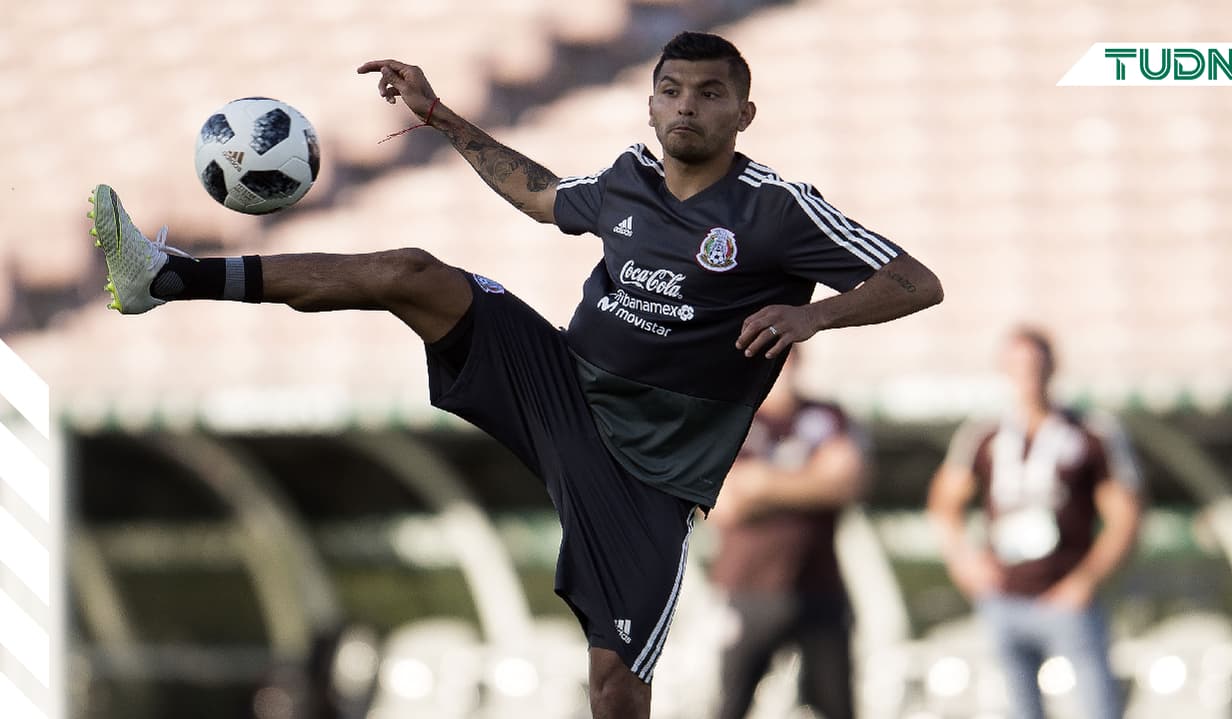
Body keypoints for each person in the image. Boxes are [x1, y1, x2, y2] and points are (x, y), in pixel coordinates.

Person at [88, 32, 942, 718]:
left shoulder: (777, 207)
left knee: (615, 687)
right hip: (562, 384)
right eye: (673, 89)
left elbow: (916, 279)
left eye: (710, 92)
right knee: (412, 271)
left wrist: (814, 313)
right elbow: (539, 193)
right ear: (650, 102)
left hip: (647, 476)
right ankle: (167, 276)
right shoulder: (627, 178)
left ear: (745, 112)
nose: (688, 105)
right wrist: (441, 117)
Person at [926, 327, 1143, 719]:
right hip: (1005, 596)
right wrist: (965, 562)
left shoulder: (1089, 432)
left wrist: (1086, 580)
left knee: (1097, 706)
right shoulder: (986, 434)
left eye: (1035, 365)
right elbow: (944, 503)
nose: (1028, 376)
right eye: (1018, 366)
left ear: (1052, 367)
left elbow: (1125, 516)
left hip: (1066, 594)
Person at [710, 350, 867, 719]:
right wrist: (811, 479)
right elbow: (724, 502)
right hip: (749, 589)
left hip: (819, 587)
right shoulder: (732, 417)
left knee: (838, 705)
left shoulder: (828, 416)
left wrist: (764, 484)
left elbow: (848, 482)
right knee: (731, 704)